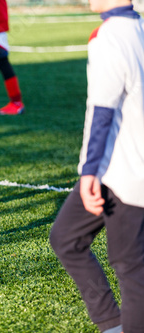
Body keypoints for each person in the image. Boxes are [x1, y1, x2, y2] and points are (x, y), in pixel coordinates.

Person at [49, 1, 144, 332]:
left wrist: (88, 172)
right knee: (65, 238)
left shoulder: (110, 36)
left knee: (131, 269)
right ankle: (111, 324)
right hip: (114, 167)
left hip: (125, 172)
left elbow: (102, 110)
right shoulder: (138, 29)